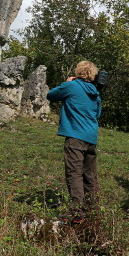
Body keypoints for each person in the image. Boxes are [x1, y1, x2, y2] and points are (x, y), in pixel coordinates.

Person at [46, 60, 102, 212]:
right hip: (91, 137)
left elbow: (50, 95)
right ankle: (93, 208)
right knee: (89, 174)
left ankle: (77, 210)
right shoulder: (95, 92)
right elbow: (98, 113)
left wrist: (66, 82)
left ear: (78, 72)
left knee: (74, 173)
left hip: (75, 135)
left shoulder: (71, 86)